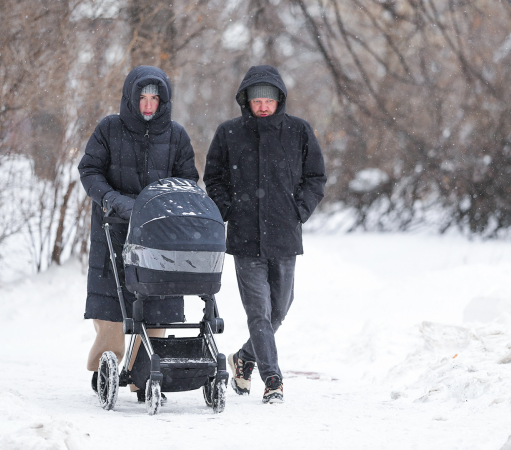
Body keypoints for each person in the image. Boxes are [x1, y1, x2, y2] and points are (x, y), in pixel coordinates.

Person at [203, 65, 327, 404]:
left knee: (279, 309)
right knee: (258, 312)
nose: (262, 106)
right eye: (256, 100)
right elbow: (212, 178)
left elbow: (316, 177)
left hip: (285, 237)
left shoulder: (298, 131)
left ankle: (244, 359)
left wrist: (298, 210)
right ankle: (272, 379)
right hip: (245, 239)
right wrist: (229, 209)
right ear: (246, 100)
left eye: (268, 100)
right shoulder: (229, 133)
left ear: (279, 100)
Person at [78, 65, 198, 402]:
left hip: (160, 233)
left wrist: (163, 204)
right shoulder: (109, 129)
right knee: (111, 306)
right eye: (142, 98)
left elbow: (188, 180)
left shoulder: (176, 136)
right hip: (113, 228)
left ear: (163, 101)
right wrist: (113, 201)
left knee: (157, 301)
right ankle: (107, 363)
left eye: (154, 99)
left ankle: (142, 373)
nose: (148, 105)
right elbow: (89, 170)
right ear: (132, 98)